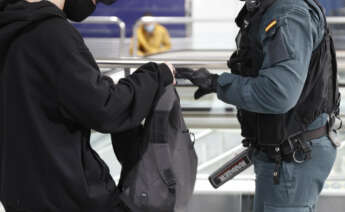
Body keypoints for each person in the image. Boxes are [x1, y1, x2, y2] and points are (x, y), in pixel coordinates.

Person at [0, 0, 176, 211]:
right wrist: (157, 75)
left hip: (20, 196)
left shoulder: (9, 30)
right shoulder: (52, 35)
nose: (94, 4)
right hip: (70, 197)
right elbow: (106, 108)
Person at [178, 0, 340, 211]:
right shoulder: (272, 9)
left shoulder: (288, 14)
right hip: (283, 152)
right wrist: (214, 84)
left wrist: (219, 84)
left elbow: (278, 94)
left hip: (293, 157)